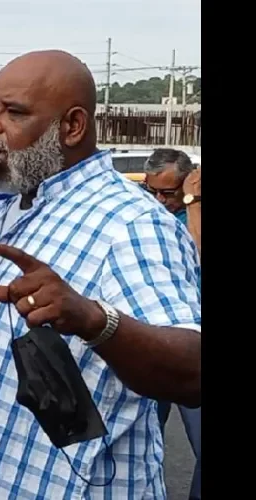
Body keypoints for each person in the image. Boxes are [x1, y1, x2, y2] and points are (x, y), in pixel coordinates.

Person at [0, 51, 201, 499]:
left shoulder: (130, 222)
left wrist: (94, 320)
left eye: (14, 112)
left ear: (72, 126)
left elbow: (192, 372)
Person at [143, 148, 202, 500]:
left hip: (192, 343)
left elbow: (195, 257)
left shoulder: (193, 210)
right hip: (153, 338)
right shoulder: (145, 215)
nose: (162, 201)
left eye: (170, 193)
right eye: (154, 192)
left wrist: (193, 202)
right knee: (140, 439)